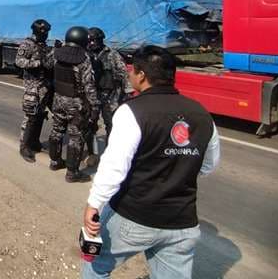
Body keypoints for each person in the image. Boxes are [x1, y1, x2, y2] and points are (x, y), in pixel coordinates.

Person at [81, 45, 220, 279]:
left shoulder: (132, 111)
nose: (129, 74)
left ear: (142, 75)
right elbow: (208, 164)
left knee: (96, 266)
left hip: (134, 216)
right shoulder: (201, 114)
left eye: (132, 70)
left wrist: (93, 205)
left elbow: (114, 168)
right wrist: (176, 168)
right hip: (182, 223)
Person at [47, 26, 99, 182]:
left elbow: (48, 66)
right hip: (76, 103)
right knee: (76, 136)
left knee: (57, 131)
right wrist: (95, 106)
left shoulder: (56, 53)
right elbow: (89, 85)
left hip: (58, 99)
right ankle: (72, 173)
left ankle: (55, 162)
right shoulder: (83, 58)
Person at [85, 27, 133, 165]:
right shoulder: (85, 54)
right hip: (91, 95)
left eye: (95, 40)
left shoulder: (112, 55)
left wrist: (128, 94)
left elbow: (124, 74)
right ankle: (91, 153)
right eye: (90, 40)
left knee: (111, 127)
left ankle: (109, 156)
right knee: (89, 125)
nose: (92, 43)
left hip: (110, 96)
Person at [15, 19, 54, 163]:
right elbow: (19, 61)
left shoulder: (43, 45)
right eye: (44, 33)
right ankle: (24, 147)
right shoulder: (28, 44)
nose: (46, 35)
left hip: (45, 86)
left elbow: (49, 63)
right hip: (33, 86)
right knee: (30, 117)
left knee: (40, 115)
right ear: (37, 31)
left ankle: (35, 142)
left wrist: (54, 51)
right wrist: (37, 63)